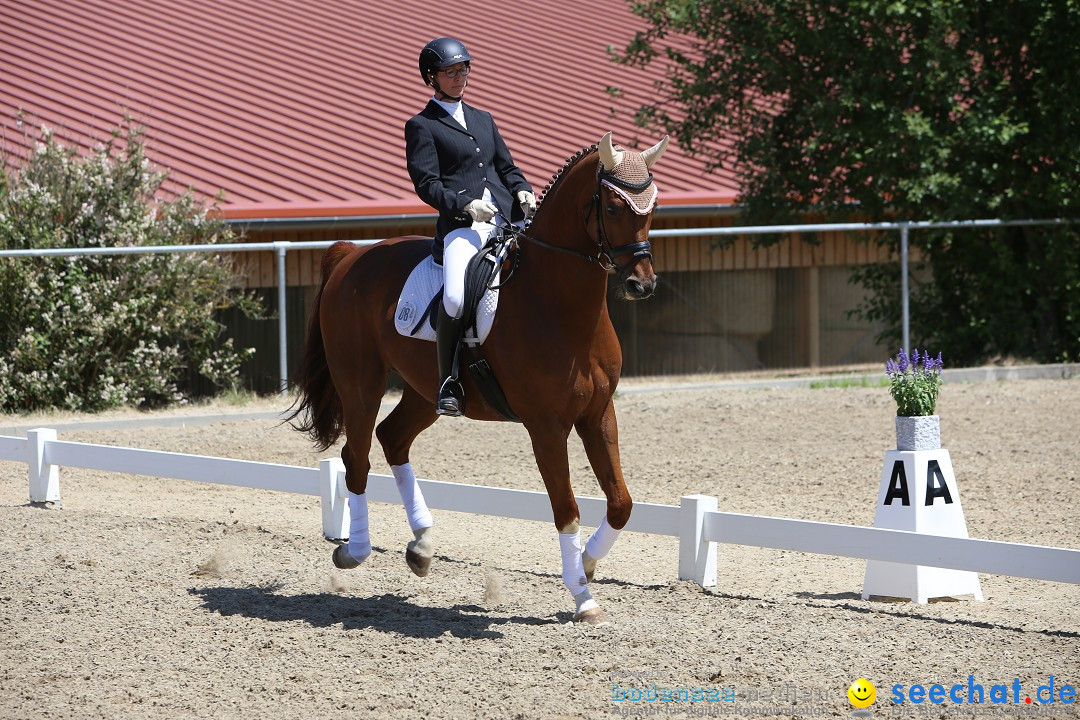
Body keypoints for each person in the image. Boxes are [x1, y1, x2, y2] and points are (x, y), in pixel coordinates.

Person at [405, 36, 535, 417]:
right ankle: (449, 381)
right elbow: (427, 184)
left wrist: (523, 190)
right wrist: (464, 205)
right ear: (432, 77)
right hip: (464, 227)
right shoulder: (422, 125)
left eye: (464, 69)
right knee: (456, 298)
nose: (460, 76)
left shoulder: (484, 118)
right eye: (450, 71)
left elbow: (506, 167)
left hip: (507, 220)